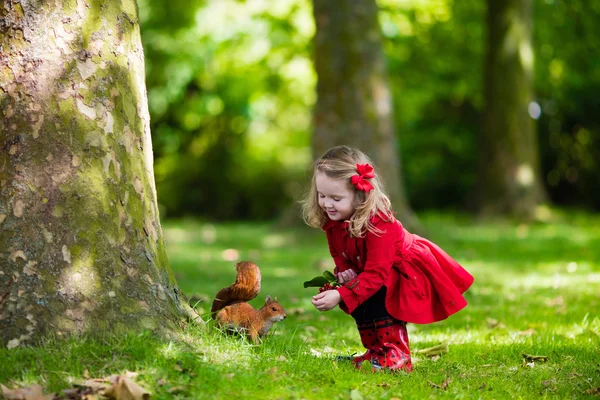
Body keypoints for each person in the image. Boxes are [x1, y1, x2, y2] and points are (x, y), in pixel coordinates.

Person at [301, 145, 474, 372]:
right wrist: (345, 271)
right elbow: (337, 250)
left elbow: (377, 273)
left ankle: (396, 354)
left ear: (360, 194)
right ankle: (375, 351)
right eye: (322, 196)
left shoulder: (380, 223)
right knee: (361, 304)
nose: (327, 204)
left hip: (399, 269)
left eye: (336, 198)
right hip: (371, 271)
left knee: (381, 301)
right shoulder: (334, 219)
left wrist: (341, 293)